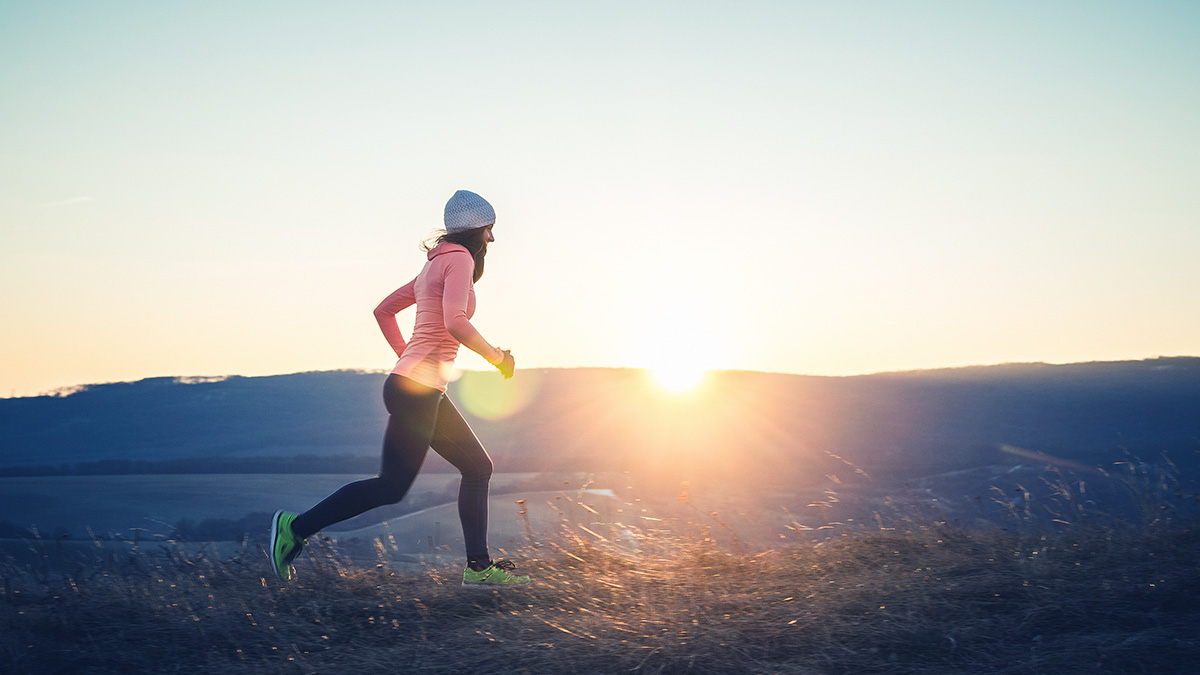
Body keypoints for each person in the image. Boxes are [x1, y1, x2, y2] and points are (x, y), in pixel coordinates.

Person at [269, 189, 530, 587]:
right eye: (489, 230)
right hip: (416, 390)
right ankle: (295, 527)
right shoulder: (459, 259)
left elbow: (383, 310)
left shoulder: (433, 265)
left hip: (416, 386)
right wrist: (497, 358)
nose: (492, 239)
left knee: (476, 467)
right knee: (394, 486)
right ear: (477, 230)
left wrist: (406, 358)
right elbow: (455, 322)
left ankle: (479, 568)